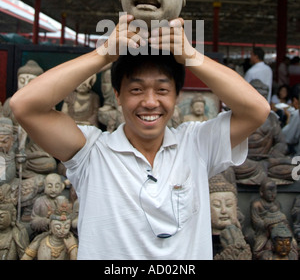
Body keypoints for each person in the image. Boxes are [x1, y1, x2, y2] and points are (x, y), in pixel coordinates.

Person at [9, 15, 270, 260]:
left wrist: (190, 56)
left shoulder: (197, 144)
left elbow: (257, 110)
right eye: (136, 89)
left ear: (177, 96)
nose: (149, 101)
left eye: (162, 89)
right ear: (117, 95)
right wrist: (103, 54)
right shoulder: (91, 152)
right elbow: (24, 106)